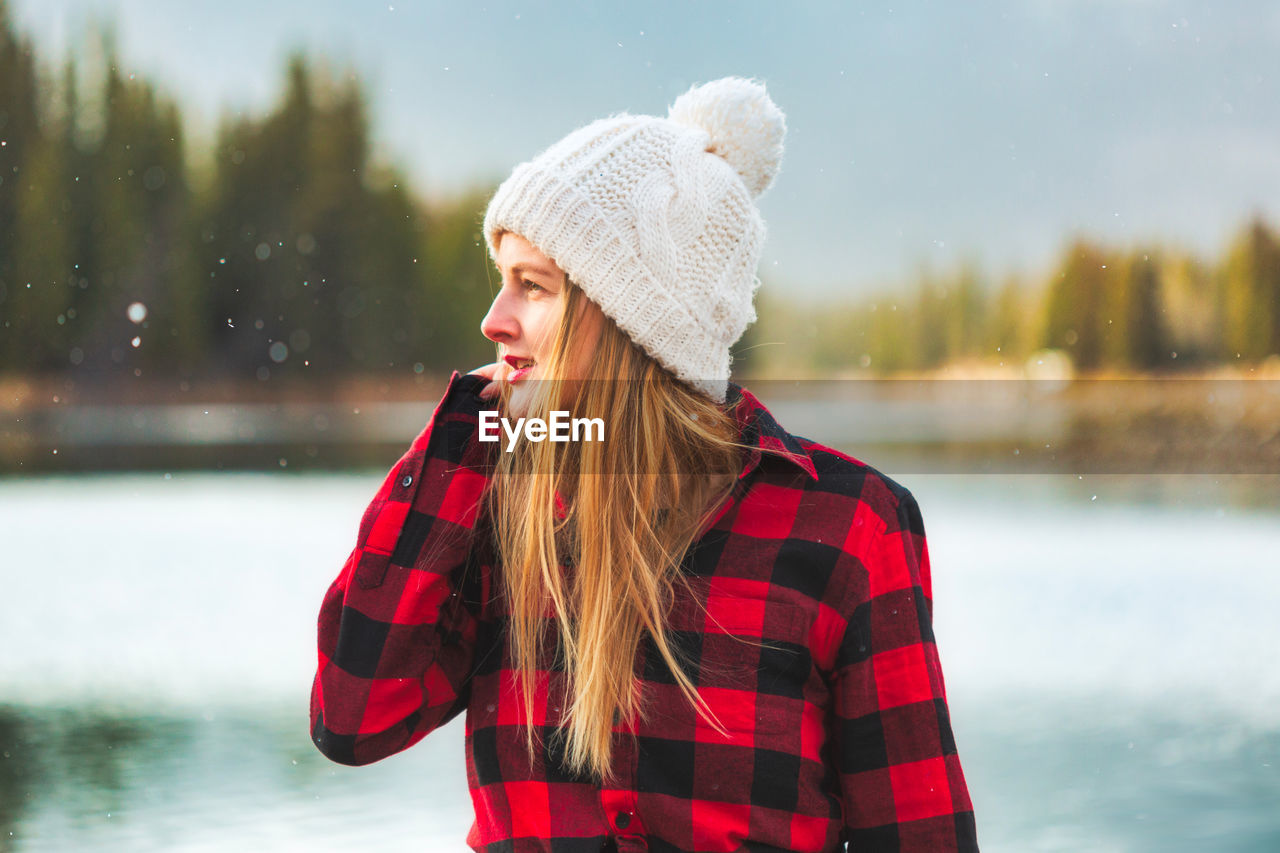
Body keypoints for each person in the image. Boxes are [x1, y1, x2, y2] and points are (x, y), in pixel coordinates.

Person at [310, 76, 979, 852]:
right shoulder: (495, 500)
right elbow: (353, 716)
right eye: (503, 282)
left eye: (534, 287)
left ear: (633, 323)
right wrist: (462, 439)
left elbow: (920, 834)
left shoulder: (850, 525)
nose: (494, 320)